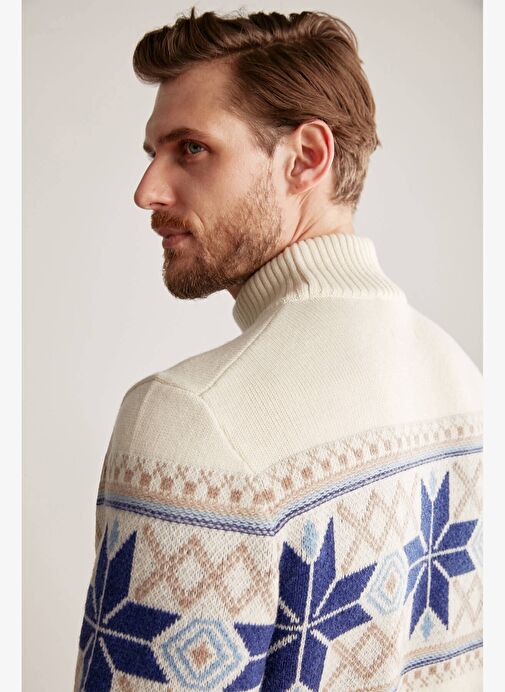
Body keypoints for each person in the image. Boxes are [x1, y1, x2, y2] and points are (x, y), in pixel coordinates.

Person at [73, 7, 483, 691]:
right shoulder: (460, 379)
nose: (148, 191)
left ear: (306, 158)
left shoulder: (194, 418)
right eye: (153, 154)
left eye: (191, 149)